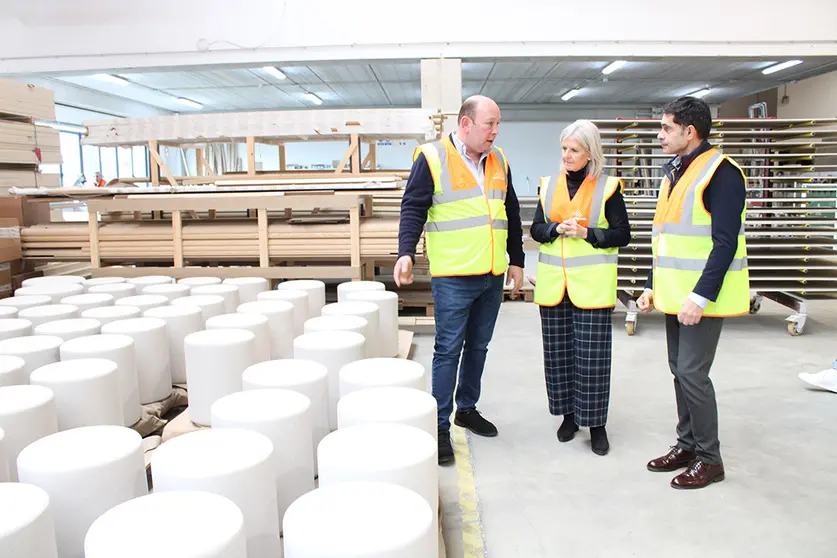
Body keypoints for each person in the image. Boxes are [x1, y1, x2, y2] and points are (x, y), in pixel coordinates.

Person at [394, 95, 525, 465]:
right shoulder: (432, 158)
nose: (495, 132)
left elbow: (510, 212)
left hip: (492, 274)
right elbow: (413, 207)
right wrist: (405, 251)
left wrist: (517, 260)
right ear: (465, 124)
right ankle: (439, 426)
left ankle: (467, 408)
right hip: (453, 275)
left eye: (498, 124)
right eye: (490, 124)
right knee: (448, 350)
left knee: (479, 347)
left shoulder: (499, 160)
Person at [638, 96, 749, 490]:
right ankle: (686, 445)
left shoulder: (721, 174)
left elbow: (725, 244)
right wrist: (653, 286)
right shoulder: (677, 171)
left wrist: (699, 298)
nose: (660, 134)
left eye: (666, 127)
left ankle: (709, 459)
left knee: (692, 373)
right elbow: (666, 238)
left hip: (700, 299)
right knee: (679, 372)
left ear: (690, 131)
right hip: (674, 295)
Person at [530, 120, 630, 456]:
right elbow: (536, 230)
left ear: (590, 153)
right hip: (554, 287)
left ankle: (597, 424)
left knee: (592, 359)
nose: (567, 156)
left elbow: (623, 234)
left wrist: (588, 234)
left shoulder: (608, 188)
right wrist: (557, 228)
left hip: (592, 287)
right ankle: (569, 417)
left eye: (574, 150)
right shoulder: (548, 186)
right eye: (564, 149)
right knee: (558, 356)